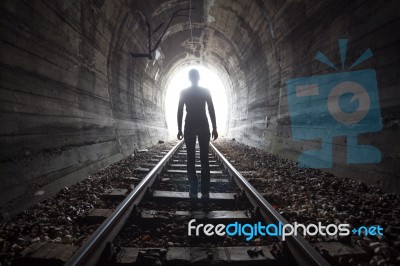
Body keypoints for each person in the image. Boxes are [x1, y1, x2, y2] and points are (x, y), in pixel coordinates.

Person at [177, 69, 218, 200]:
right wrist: (215, 128)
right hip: (203, 125)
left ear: (189, 78)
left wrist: (179, 129)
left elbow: (180, 111)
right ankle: (205, 192)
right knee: (204, 160)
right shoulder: (205, 91)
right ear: (199, 78)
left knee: (191, 159)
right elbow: (211, 109)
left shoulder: (184, 92)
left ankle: (193, 191)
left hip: (189, 125)